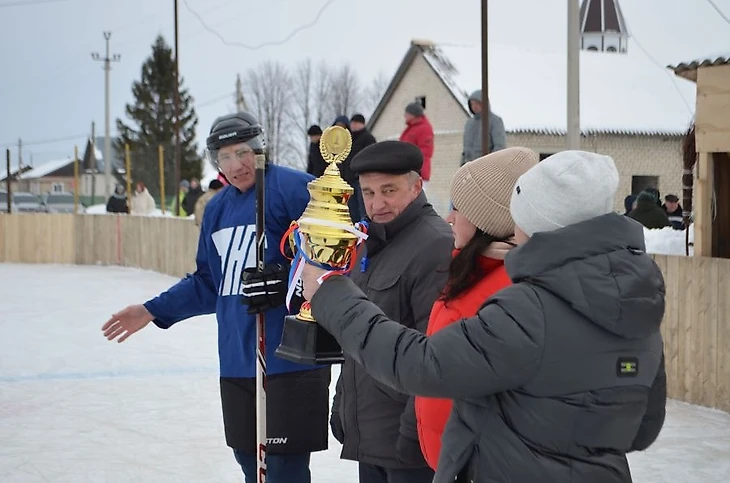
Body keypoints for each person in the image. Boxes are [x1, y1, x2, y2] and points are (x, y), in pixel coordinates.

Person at [301, 150, 667, 483]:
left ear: (533, 220)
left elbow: (423, 365)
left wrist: (333, 294)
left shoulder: (529, 309)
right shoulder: (635, 307)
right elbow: (642, 426)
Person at [101, 111, 331, 483]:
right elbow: (209, 282)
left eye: (242, 152)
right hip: (238, 359)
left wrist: (287, 280)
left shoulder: (295, 189)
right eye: (224, 157)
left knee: (282, 470)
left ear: (259, 149)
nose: (235, 165)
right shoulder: (218, 208)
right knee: (249, 464)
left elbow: (337, 261)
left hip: (290, 360)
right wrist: (151, 309)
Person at [327, 140, 453, 483]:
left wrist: (414, 433)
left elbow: (436, 352)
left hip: (409, 445)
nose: (376, 204)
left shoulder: (435, 244)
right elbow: (358, 337)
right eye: (367, 193)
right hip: (373, 435)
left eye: (388, 190)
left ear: (416, 186)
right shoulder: (369, 243)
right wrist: (342, 403)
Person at [415, 147, 538, 470]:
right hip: (454, 461)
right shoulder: (470, 271)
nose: (449, 218)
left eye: (458, 208)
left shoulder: (509, 286)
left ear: (486, 219)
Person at [461, 90, 506, 165]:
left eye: (477, 103)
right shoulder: (469, 123)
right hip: (470, 166)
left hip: (488, 167)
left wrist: (490, 164)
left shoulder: (495, 121)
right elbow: (466, 149)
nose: (474, 106)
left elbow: (499, 146)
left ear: (484, 104)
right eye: (472, 104)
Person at [399, 103, 434, 192]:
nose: (404, 115)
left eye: (406, 113)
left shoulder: (424, 128)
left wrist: (410, 158)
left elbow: (426, 150)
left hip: (418, 171)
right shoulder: (411, 128)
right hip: (408, 170)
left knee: (416, 199)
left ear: (412, 114)